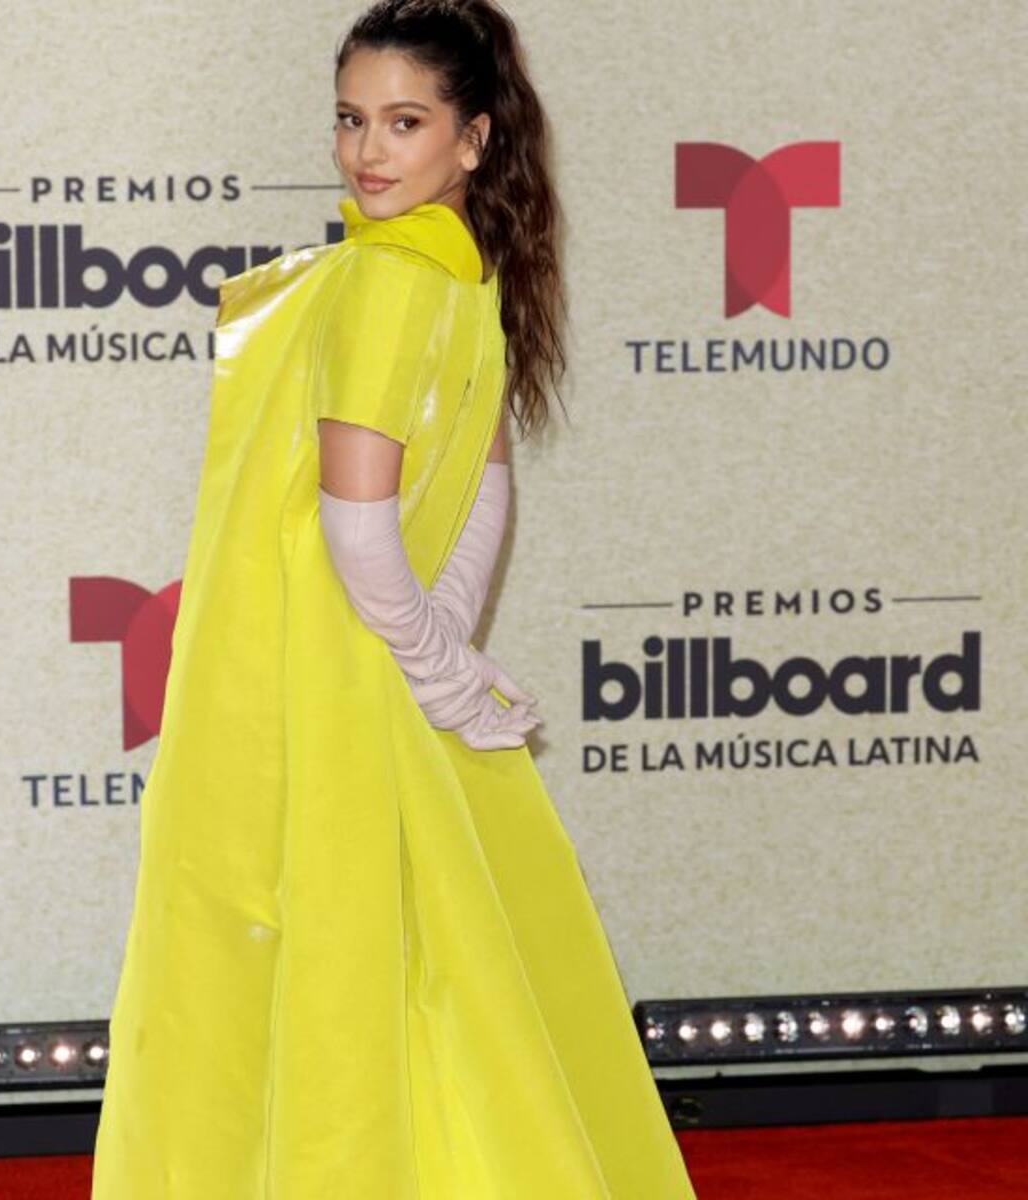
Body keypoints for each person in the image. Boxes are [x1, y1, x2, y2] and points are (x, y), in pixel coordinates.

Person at [90, 1, 698, 1196]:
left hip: (315, 669)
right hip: (362, 665)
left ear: (473, 138)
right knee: (427, 970)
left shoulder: (392, 278)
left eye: (404, 122)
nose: (368, 151)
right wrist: (442, 656)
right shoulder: (459, 273)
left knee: (314, 967)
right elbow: (455, 499)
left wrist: (438, 659)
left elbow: (380, 516)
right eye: (350, 119)